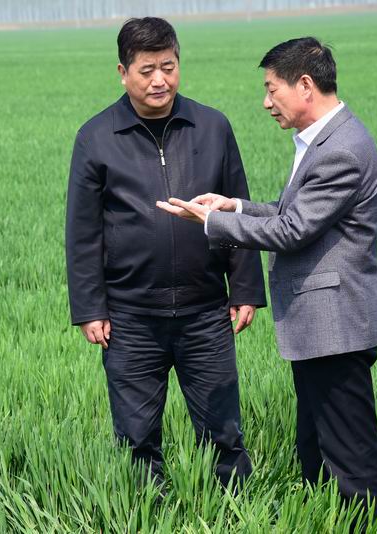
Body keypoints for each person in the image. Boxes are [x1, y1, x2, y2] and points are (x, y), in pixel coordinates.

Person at [157, 37, 377, 514]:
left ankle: (372, 521)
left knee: (351, 454)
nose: (266, 102)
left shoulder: (342, 149)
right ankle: (330, 519)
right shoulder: (323, 141)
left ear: (305, 85)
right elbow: (292, 213)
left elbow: (292, 230)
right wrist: (234, 206)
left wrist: (210, 222)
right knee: (317, 446)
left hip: (335, 328)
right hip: (322, 329)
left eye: (271, 89)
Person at [65, 17, 266, 490]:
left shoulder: (212, 126)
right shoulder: (96, 137)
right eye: (147, 70)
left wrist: (245, 289)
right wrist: (90, 308)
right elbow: (83, 232)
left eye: (169, 67)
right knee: (136, 438)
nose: (160, 80)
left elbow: (236, 207)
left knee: (223, 433)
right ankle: (145, 513)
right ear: (123, 72)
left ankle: (236, 510)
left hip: (205, 311)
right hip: (130, 317)